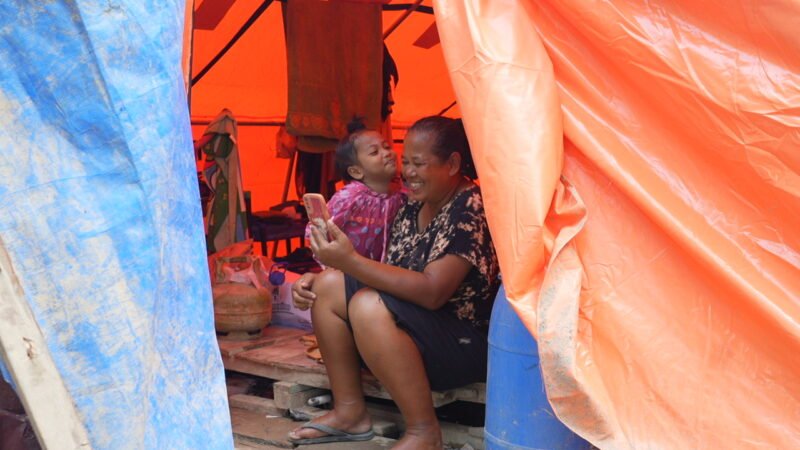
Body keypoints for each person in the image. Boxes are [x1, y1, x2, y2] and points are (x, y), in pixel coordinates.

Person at [289, 116, 500, 449]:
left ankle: (423, 432)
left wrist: (352, 262)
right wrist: (328, 272)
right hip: (418, 329)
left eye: (419, 163)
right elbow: (390, 272)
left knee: (368, 306)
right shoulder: (413, 205)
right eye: (406, 161)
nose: (408, 172)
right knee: (329, 287)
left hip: (462, 343)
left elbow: (433, 292)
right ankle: (350, 413)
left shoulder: (471, 207)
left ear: (453, 163)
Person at [304, 119, 405, 262]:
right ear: (356, 171)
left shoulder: (401, 194)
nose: (387, 153)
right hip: (347, 270)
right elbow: (319, 229)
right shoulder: (350, 197)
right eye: (375, 152)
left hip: (383, 273)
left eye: (387, 147)